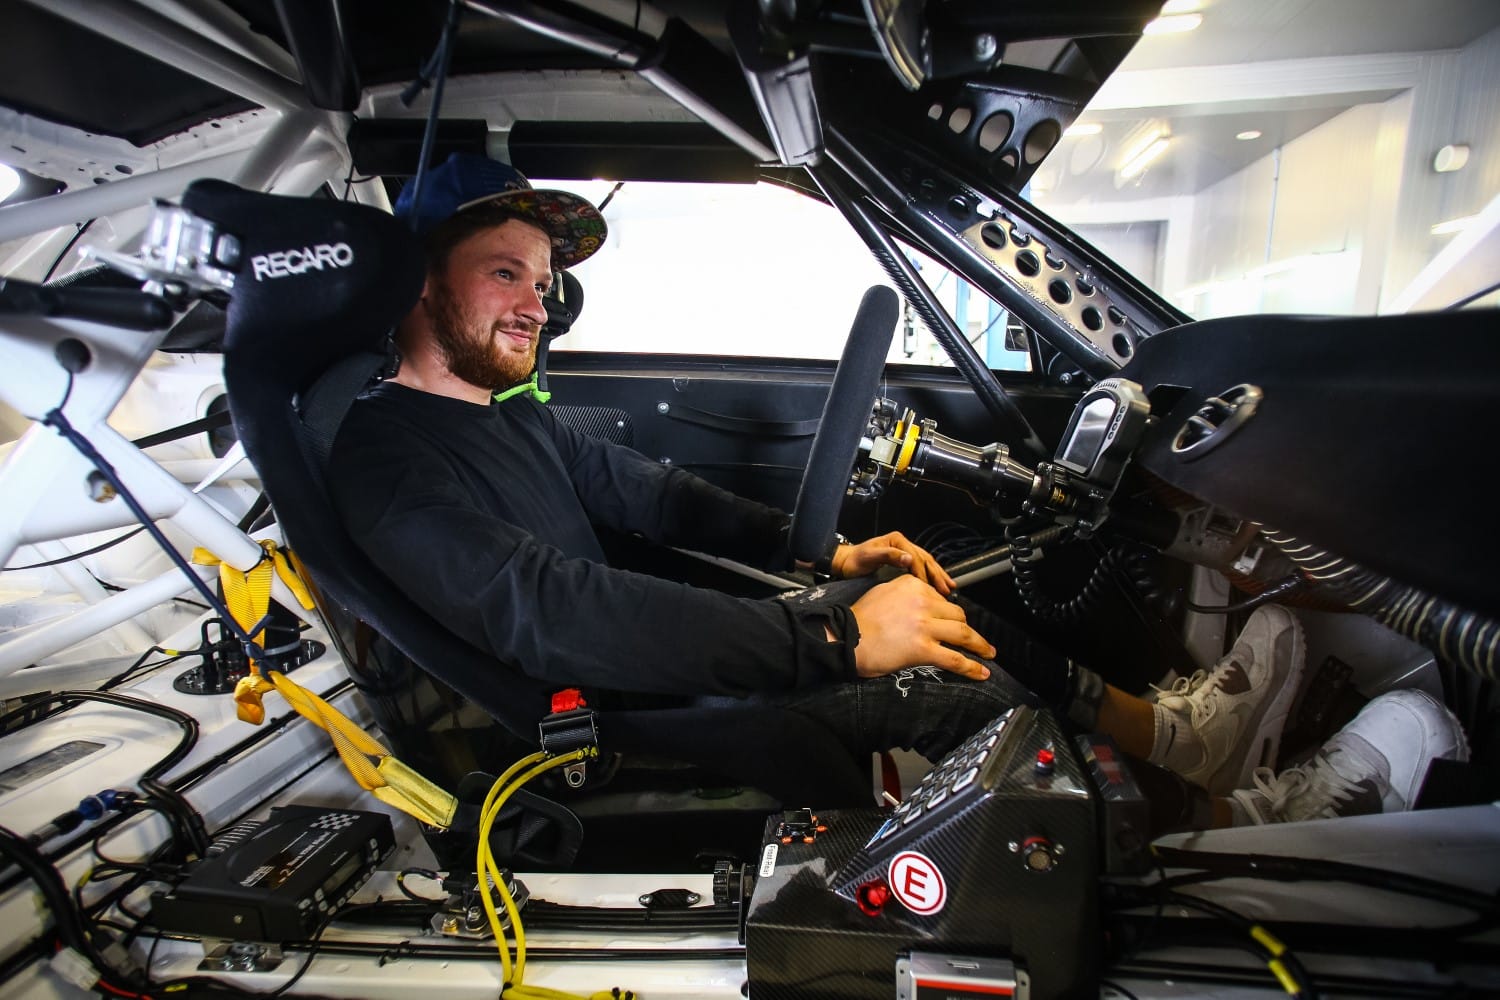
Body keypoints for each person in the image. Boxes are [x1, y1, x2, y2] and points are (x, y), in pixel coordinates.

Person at [329, 153, 1466, 823]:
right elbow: (548, 611)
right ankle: (1222, 826)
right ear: (418, 282)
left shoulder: (513, 415)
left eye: (543, 282)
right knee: (938, 684)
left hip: (641, 671)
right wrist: (833, 639)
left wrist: (832, 560)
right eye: (506, 274)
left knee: (938, 611)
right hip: (603, 726)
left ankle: (1173, 742)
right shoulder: (385, 456)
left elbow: (663, 497)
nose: (537, 304)